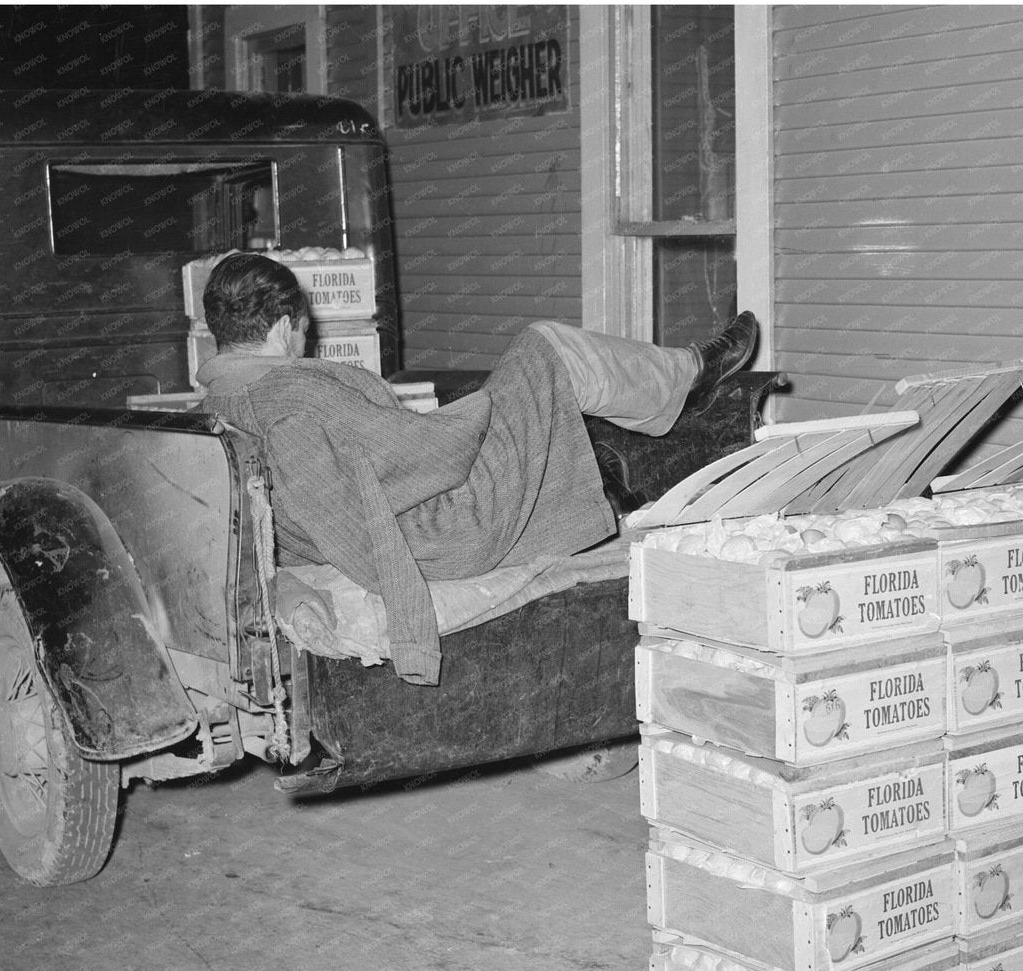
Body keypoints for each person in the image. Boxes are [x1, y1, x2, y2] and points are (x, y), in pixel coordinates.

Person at [196, 252, 757, 685]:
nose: (303, 343)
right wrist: (477, 411)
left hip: (408, 523)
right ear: (279, 329)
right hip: (445, 533)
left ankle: (609, 457)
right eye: (301, 332)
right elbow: (416, 459)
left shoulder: (219, 402)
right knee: (545, 348)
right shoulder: (291, 399)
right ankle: (689, 375)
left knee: (518, 393)